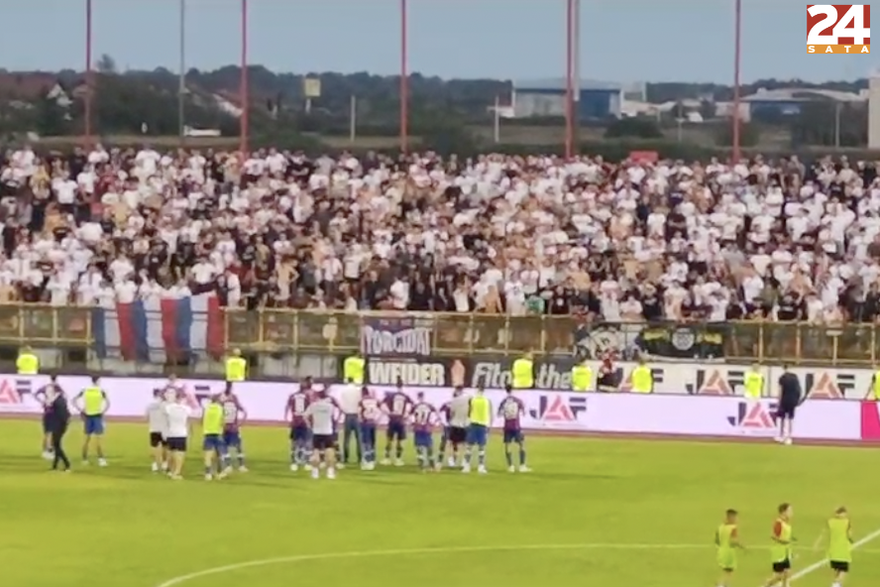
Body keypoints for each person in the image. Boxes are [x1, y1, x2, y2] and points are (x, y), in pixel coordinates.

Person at [73, 375, 110, 466]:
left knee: (86, 439)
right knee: (98, 439)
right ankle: (101, 459)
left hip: (87, 415)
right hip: (97, 415)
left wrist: (81, 409)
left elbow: (74, 400)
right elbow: (108, 403)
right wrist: (103, 411)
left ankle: (84, 459)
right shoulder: (100, 391)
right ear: (97, 381)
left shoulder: (85, 390)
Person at [813, 506, 853, 587]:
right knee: (843, 571)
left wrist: (816, 544)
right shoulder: (846, 522)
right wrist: (851, 540)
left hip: (833, 552)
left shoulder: (830, 522)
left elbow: (823, 534)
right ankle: (835, 585)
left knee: (837, 571)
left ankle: (837, 584)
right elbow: (850, 535)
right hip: (843, 552)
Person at [305, 390, 338, 480]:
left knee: (316, 452)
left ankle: (315, 472)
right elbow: (333, 416)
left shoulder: (313, 406)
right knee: (330, 452)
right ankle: (330, 472)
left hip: (317, 431)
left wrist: (309, 425)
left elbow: (305, 416)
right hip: (328, 431)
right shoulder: (330, 406)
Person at [498, 385, 530, 473]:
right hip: (516, 426)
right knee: (521, 444)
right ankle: (522, 466)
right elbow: (524, 411)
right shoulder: (517, 400)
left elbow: (499, 414)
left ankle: (510, 466)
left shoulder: (504, 402)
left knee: (508, 445)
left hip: (507, 426)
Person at [381, 382, 412, 466]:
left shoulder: (391, 395)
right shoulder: (406, 397)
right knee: (400, 440)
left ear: (396, 386)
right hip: (401, 420)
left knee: (389, 439)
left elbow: (382, 405)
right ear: (403, 386)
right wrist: (405, 416)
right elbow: (409, 409)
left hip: (393, 419)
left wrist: (389, 413)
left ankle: (387, 458)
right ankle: (398, 459)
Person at [764, 503, 795, 587]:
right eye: (789, 511)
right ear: (783, 512)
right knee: (779, 576)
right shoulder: (779, 523)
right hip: (778, 553)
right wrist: (783, 541)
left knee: (787, 573)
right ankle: (767, 584)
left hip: (785, 553)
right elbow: (773, 535)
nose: (791, 513)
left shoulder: (786, 523)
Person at [463, 386, 491, 474]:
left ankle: (467, 466)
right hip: (482, 425)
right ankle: (481, 466)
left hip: (473, 424)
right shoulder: (486, 401)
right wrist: (488, 425)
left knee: (469, 447)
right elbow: (488, 413)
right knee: (481, 447)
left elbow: (469, 412)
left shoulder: (473, 400)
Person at [164, 394, 192, 480]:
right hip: (181, 433)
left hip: (171, 432)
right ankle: (177, 472)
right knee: (180, 454)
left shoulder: (169, 407)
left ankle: (171, 470)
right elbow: (188, 422)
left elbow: (167, 420)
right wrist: (190, 433)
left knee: (171, 453)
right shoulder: (187, 409)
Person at [219, 387, 248, 473]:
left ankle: (239, 465)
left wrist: (240, 423)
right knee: (227, 446)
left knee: (237, 446)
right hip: (228, 428)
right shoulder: (224, 403)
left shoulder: (231, 402)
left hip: (232, 428)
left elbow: (244, 412)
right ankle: (231, 465)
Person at [441, 386, 470, 468]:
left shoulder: (455, 400)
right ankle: (464, 462)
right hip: (465, 424)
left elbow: (451, 413)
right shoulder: (468, 399)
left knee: (452, 443)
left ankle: (451, 461)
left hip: (455, 424)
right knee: (464, 444)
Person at [35, 375, 63, 460]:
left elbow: (36, 394)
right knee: (52, 432)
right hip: (53, 412)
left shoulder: (46, 387)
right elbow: (61, 397)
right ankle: (49, 450)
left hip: (47, 411)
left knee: (47, 432)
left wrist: (43, 402)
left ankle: (45, 450)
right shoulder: (57, 388)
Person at [715, 508, 744, 587]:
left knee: (726, 571)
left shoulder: (720, 527)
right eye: (735, 517)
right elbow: (733, 541)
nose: (736, 519)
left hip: (721, 551)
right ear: (731, 517)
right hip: (729, 553)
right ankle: (720, 585)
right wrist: (741, 546)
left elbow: (717, 541)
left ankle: (723, 585)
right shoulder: (733, 528)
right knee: (728, 572)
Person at [45, 386, 71, 472]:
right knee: (56, 445)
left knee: (57, 445)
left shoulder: (58, 401)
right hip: (59, 425)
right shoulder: (59, 399)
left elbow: (63, 414)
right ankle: (55, 466)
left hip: (59, 426)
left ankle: (67, 464)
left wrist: (62, 425)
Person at [286, 385, 312, 472]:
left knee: (295, 443)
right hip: (302, 423)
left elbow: (287, 407)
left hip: (296, 423)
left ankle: (295, 463)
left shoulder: (293, 396)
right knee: (305, 443)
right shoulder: (306, 397)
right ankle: (305, 463)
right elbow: (310, 408)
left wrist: (287, 419)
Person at [202, 395, 226, 481]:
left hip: (208, 433)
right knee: (219, 454)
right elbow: (223, 421)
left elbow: (202, 420)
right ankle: (218, 472)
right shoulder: (221, 408)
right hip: (218, 433)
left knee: (208, 455)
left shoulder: (206, 408)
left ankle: (208, 473)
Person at [411, 392, 437, 472]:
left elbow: (410, 417)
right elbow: (435, 415)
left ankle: (422, 467)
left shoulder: (415, 406)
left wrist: (413, 424)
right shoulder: (429, 405)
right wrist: (433, 423)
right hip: (427, 428)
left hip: (418, 428)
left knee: (419, 448)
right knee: (429, 447)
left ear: (418, 397)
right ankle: (432, 466)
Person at [339, 378, 362, 466]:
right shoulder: (357, 390)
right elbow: (360, 403)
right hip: (356, 415)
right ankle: (360, 457)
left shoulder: (344, 391)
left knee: (346, 438)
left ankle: (345, 457)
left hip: (347, 415)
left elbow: (342, 404)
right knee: (358, 438)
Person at [776, 365, 802, 445]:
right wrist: (797, 399)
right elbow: (799, 389)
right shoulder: (795, 377)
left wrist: (779, 401)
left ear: (784, 368)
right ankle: (789, 437)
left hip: (784, 399)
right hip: (793, 400)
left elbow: (780, 390)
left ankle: (782, 435)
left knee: (782, 418)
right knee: (790, 418)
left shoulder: (782, 378)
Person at [145, 388, 169, 473]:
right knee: (165, 446)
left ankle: (154, 464)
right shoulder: (165, 404)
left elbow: (146, 418)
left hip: (153, 428)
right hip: (163, 429)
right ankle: (164, 463)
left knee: (154, 447)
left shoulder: (149, 404)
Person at [358, 386, 381, 470]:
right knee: (372, 442)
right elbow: (380, 410)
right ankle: (372, 460)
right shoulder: (374, 400)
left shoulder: (362, 402)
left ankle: (367, 461)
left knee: (366, 442)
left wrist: (360, 421)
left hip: (365, 423)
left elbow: (359, 413)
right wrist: (377, 419)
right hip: (373, 422)